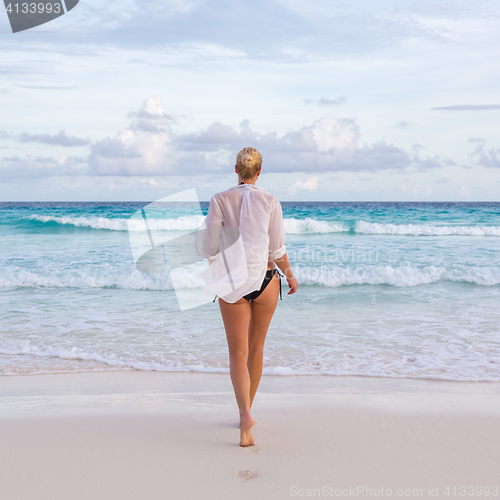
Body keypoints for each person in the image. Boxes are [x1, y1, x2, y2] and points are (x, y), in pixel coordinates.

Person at [195, 147, 298, 447]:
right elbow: (277, 248)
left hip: (233, 282)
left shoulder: (219, 199)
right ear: (259, 172)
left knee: (237, 353)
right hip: (267, 281)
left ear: (236, 170)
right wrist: (290, 275)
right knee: (256, 349)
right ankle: (247, 413)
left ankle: (244, 416)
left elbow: (211, 247)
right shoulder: (270, 201)